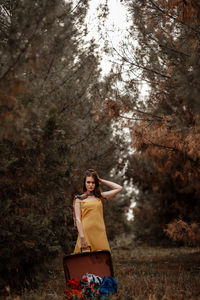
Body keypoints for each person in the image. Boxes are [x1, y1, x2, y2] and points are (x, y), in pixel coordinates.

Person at [73, 169, 122, 253]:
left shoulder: (100, 197)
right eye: (88, 182)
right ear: (84, 183)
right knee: (85, 261)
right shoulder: (79, 199)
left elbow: (119, 188)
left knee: (102, 260)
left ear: (96, 183)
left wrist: (101, 180)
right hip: (86, 233)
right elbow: (78, 219)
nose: (90, 185)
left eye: (93, 182)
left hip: (100, 232)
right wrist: (82, 237)